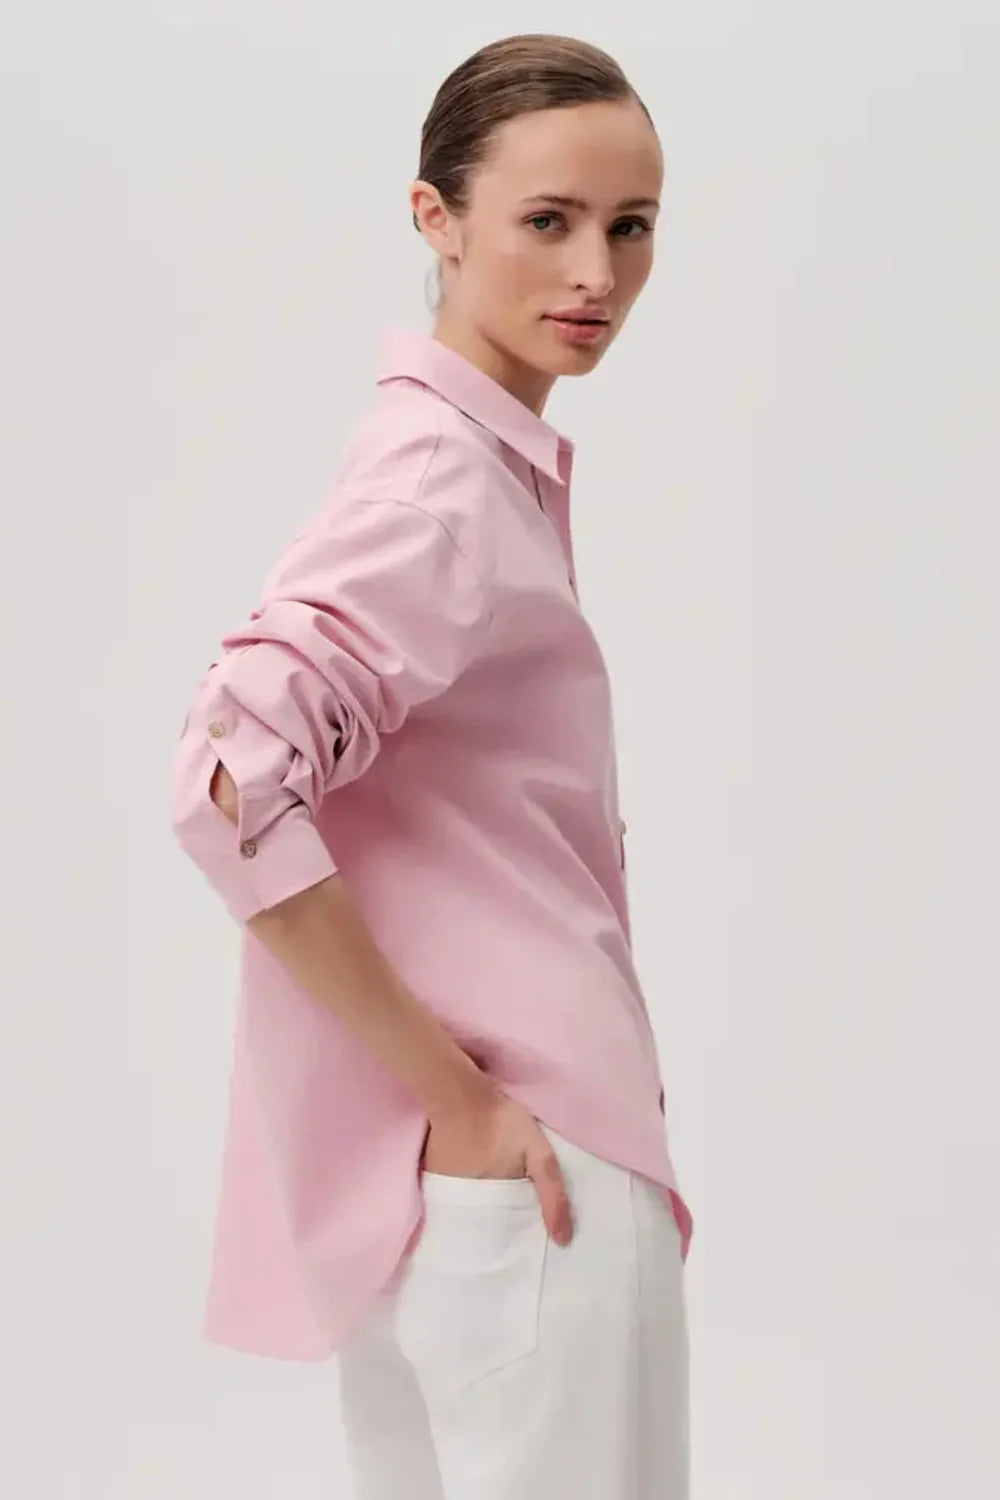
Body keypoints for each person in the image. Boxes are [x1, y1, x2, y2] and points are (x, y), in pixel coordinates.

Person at [170, 30, 693, 1500]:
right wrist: (454, 1094)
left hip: (453, 1184)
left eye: (631, 226)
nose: (595, 273)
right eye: (548, 220)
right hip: (530, 1165)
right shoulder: (445, 483)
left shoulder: (463, 465)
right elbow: (227, 781)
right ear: (435, 217)